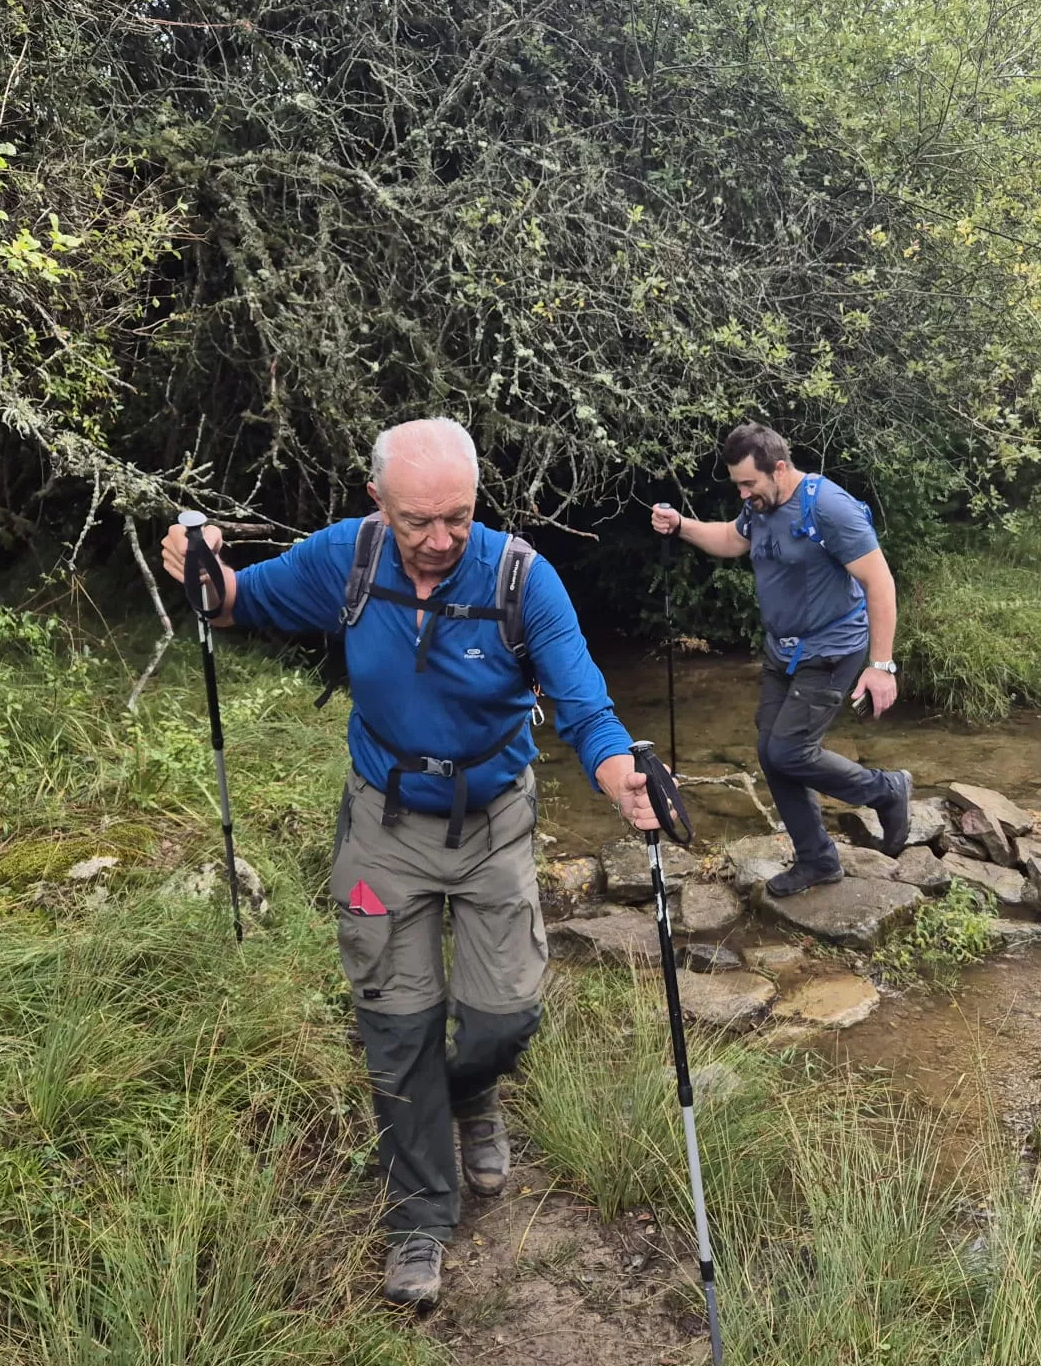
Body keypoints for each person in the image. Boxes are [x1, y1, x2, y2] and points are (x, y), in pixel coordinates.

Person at [161, 417, 659, 1311]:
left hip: (494, 822)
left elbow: (583, 703)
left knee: (502, 1017)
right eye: (418, 521)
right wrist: (199, 566)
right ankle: (420, 1217)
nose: (438, 542)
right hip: (383, 824)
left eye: (457, 520)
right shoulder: (344, 560)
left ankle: (471, 1095)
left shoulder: (519, 578)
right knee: (397, 1025)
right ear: (376, 502)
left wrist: (621, 774)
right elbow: (235, 602)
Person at [648, 423, 913, 896]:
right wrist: (682, 525)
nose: (744, 494)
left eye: (750, 483)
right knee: (772, 756)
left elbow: (880, 583)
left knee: (790, 751)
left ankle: (887, 790)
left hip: (832, 650)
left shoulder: (828, 507)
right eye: (738, 486)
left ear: (781, 468)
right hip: (781, 652)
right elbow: (732, 540)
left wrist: (882, 665)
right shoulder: (760, 506)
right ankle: (817, 860)